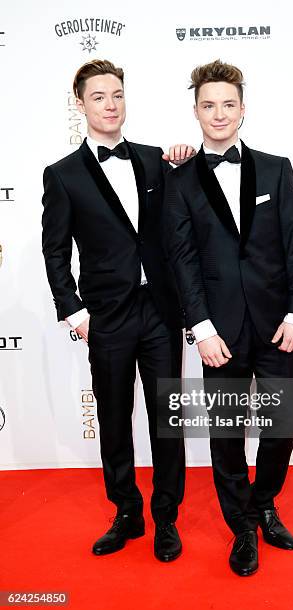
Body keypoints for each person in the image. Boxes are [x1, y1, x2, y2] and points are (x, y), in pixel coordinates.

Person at [164, 59, 293, 576]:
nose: (219, 113)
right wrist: (200, 327)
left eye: (229, 104)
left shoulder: (277, 167)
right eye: (209, 105)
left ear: (243, 110)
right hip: (219, 332)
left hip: (279, 326)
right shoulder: (179, 179)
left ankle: (263, 501)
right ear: (196, 112)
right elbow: (181, 259)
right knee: (226, 434)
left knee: (284, 420)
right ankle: (243, 528)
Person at [42, 59, 195, 561]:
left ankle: (166, 518)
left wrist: (186, 157)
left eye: (117, 95)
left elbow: (185, 217)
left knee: (166, 419)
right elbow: (56, 251)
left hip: (160, 312)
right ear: (81, 104)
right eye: (99, 97)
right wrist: (75, 312)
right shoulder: (62, 175)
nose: (111, 104)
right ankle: (127, 512)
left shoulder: (155, 159)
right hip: (106, 316)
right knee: (113, 417)